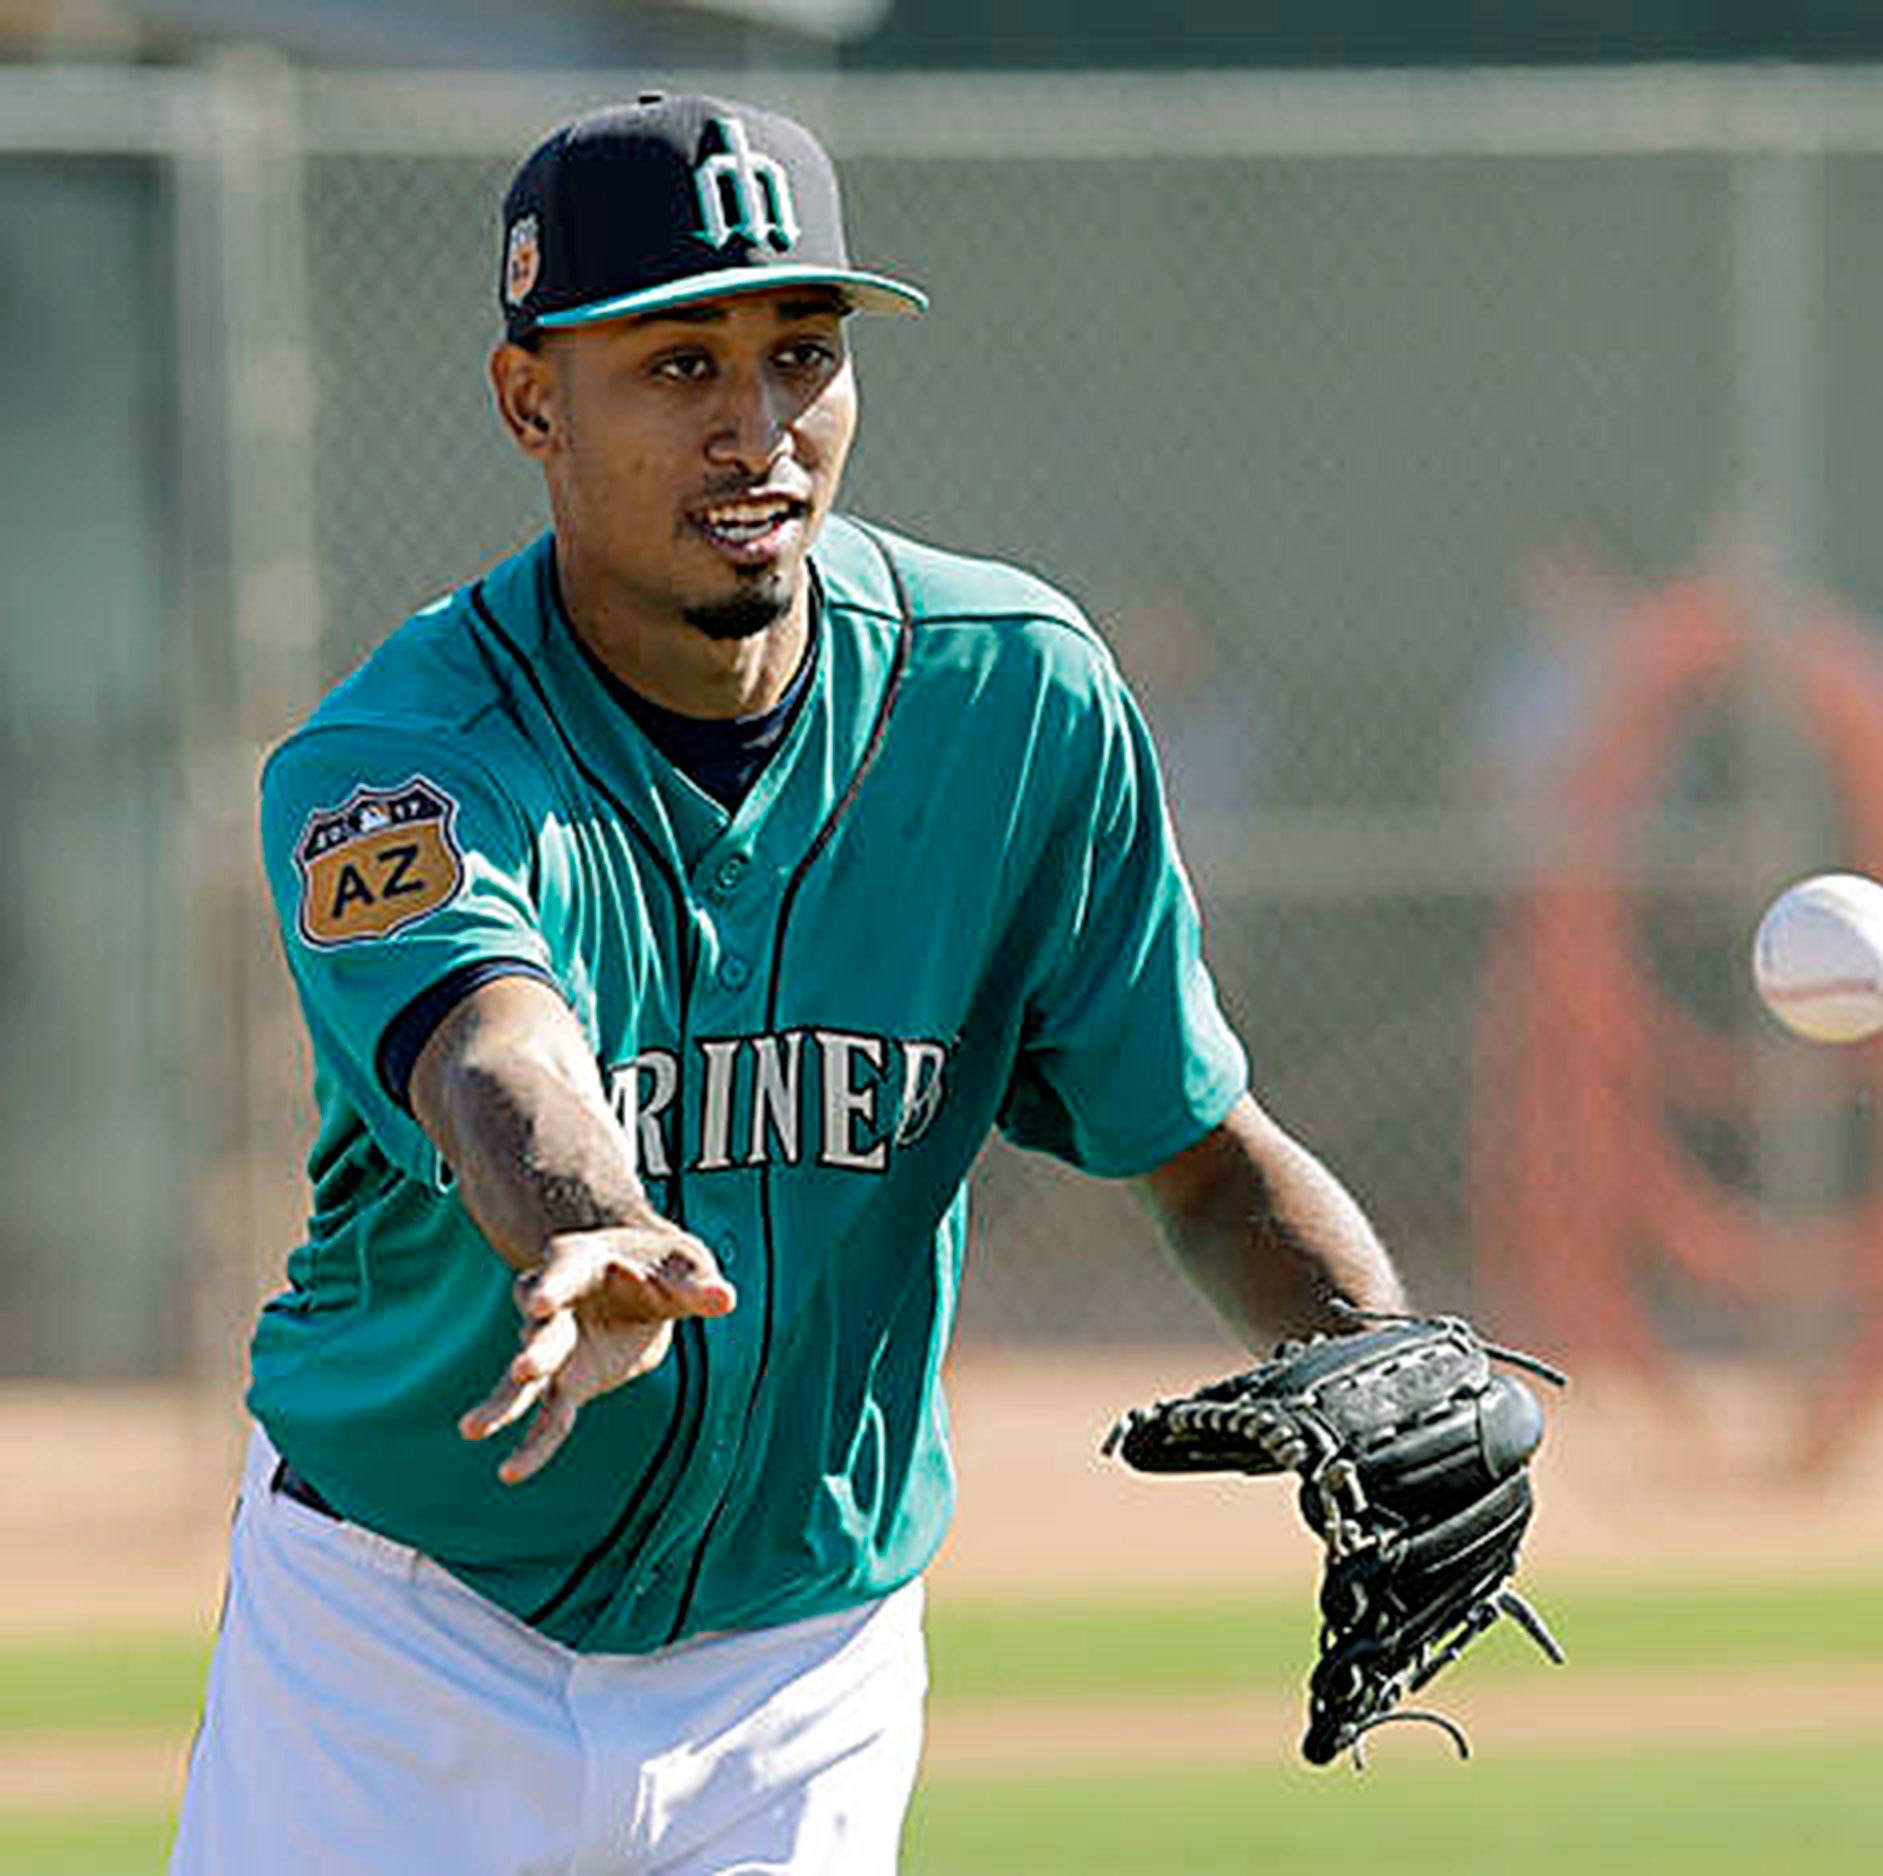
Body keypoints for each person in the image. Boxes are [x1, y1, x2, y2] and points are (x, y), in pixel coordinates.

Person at [170, 91, 1406, 1876]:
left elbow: (1196, 1144)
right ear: (533, 402)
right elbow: (488, 1051)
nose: (758, 429)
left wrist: (1378, 1354)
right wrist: (587, 1219)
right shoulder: (400, 758)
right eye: (679, 367)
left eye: (801, 355)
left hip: (800, 1673)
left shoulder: (1017, 703)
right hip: (401, 1652)